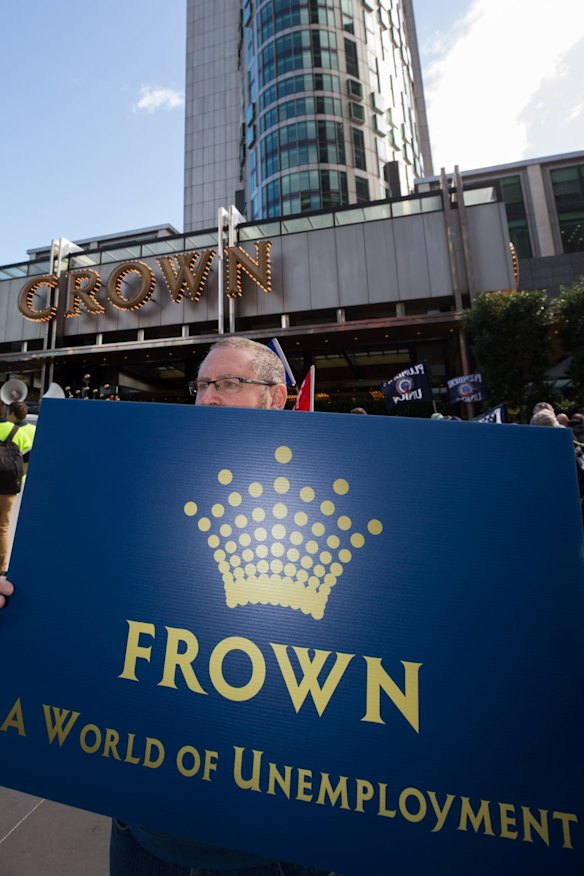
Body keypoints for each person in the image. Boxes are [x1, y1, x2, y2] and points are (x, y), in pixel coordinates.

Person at [110, 338, 335, 874]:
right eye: (203, 385)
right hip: (143, 823)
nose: (208, 397)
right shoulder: (151, 478)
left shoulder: (331, 484)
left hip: (266, 846)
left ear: (275, 397)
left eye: (228, 384)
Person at [0, 401, 36, 574]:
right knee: (3, 527)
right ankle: (1, 567)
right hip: (9, 486)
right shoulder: (20, 432)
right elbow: (28, 459)